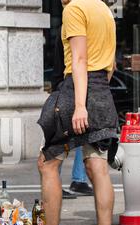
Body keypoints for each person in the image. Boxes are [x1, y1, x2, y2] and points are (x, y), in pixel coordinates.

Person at [16, 0, 121, 225]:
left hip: (77, 90)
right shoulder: (103, 9)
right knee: (97, 166)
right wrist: (96, 99)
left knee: (48, 163)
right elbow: (111, 65)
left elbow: (80, 58)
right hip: (101, 91)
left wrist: (80, 105)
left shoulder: (74, 9)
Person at [51, 25, 94, 199]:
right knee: (61, 137)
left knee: (80, 133)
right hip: (67, 85)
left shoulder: (77, 24)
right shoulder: (71, 24)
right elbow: (67, 61)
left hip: (71, 85)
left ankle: (78, 179)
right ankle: (61, 182)